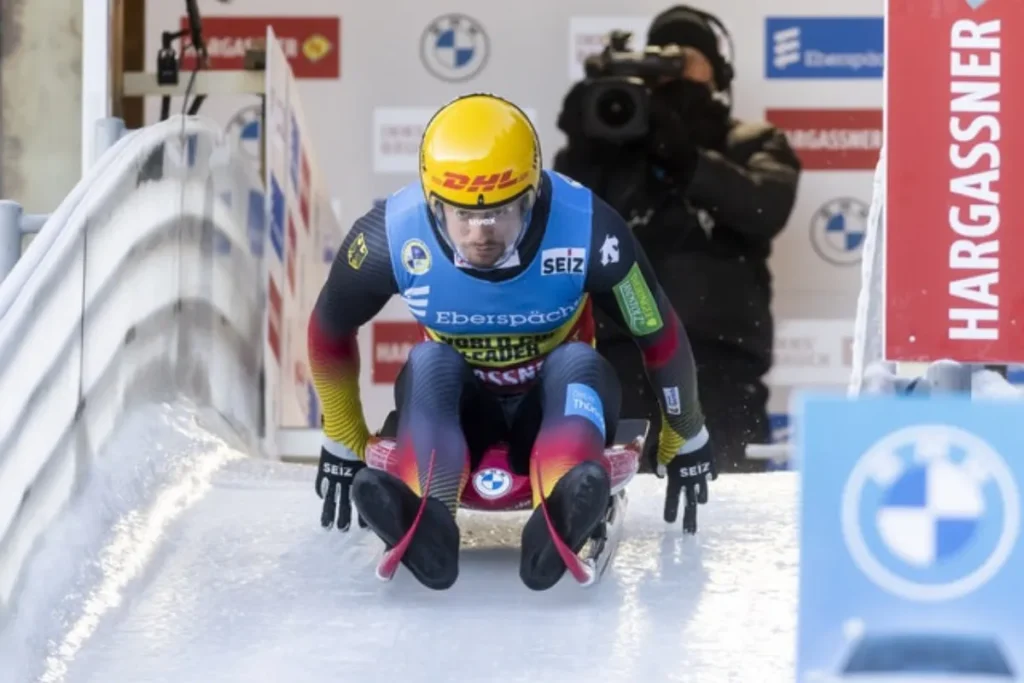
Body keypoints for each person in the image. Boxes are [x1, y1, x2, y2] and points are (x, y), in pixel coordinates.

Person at [307, 93, 714, 592]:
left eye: (502, 214)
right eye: (464, 218)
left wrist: (686, 431)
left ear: (533, 197)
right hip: (461, 409)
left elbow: (657, 331)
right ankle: (427, 517)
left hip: (553, 400)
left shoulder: (590, 230)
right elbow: (329, 328)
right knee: (431, 362)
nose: (482, 235)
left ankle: (561, 509)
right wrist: (343, 436)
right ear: (433, 207)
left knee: (577, 362)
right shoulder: (388, 236)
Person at [554, 5, 801, 473]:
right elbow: (564, 219)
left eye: (688, 57)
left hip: (720, 363)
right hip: (620, 356)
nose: (677, 69)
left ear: (718, 70)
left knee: (727, 514)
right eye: (665, 58)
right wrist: (585, 142)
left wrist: (687, 157)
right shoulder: (615, 144)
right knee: (614, 506)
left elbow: (763, 208)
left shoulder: (752, 140)